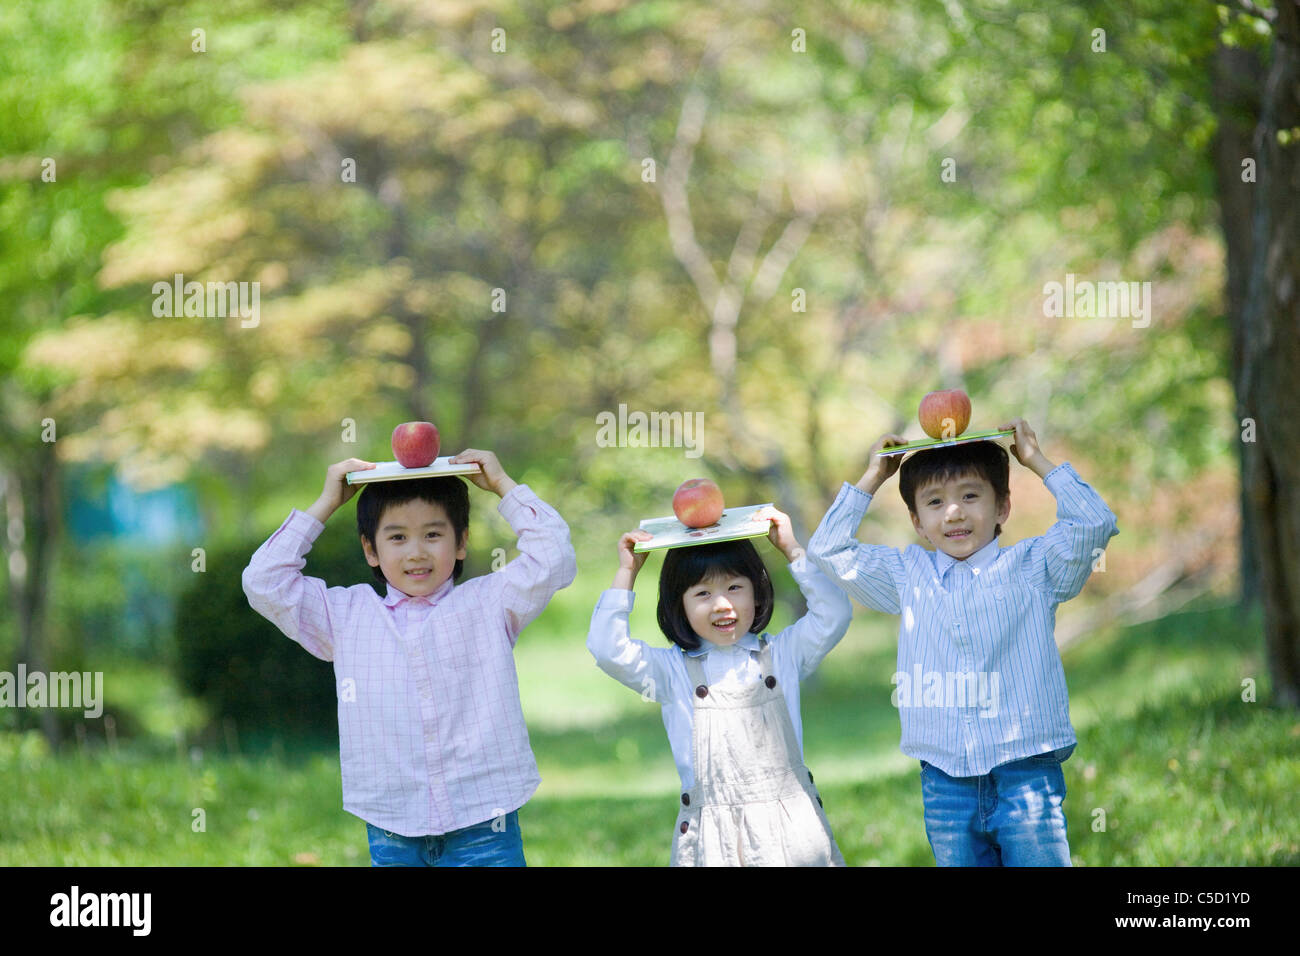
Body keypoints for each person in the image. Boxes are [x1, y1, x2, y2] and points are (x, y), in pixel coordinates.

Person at [241, 449, 576, 866]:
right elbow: (263, 583)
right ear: (371, 550)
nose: (416, 552)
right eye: (397, 537)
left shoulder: (491, 602)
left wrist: (503, 486)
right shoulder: (345, 615)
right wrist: (326, 504)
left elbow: (555, 559)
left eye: (433, 535)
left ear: (461, 542)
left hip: (484, 817)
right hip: (392, 822)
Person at [808, 418, 1118, 866]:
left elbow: (1094, 522)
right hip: (946, 781)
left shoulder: (1034, 567)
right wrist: (873, 476)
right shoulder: (905, 576)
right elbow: (828, 550)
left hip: (1025, 770)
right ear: (916, 521)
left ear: (1002, 508)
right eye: (935, 502)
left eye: (971, 496)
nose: (953, 512)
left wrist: (1035, 460)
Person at [587, 506, 852, 866]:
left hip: (791, 833)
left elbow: (834, 613)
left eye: (734, 587)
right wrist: (626, 573)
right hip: (712, 841)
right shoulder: (672, 672)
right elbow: (607, 649)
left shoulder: (784, 654)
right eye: (702, 594)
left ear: (756, 593)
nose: (722, 604)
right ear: (678, 606)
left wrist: (792, 549)